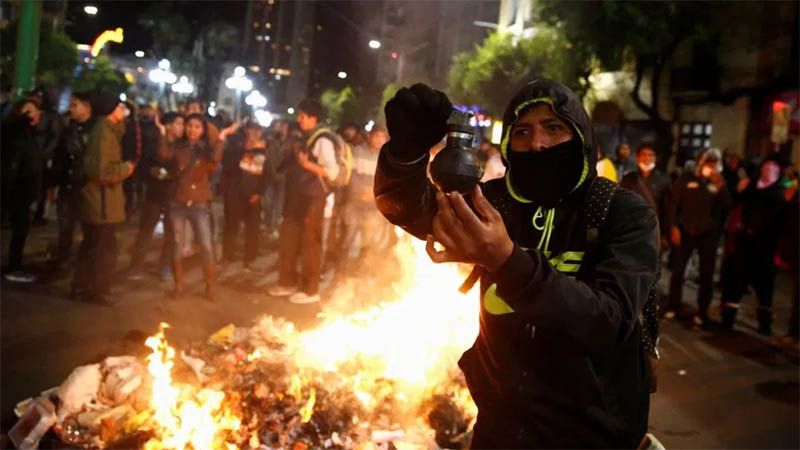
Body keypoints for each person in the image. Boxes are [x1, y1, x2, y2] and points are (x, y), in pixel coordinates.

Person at [375, 81, 659, 448]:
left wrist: (508, 262)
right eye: (523, 131)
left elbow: (608, 322)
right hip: (499, 432)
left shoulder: (623, 213)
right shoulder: (496, 205)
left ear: (581, 137)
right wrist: (406, 152)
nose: (537, 144)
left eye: (553, 128)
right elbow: (406, 206)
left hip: (592, 438)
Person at [268, 99, 340, 304]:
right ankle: (287, 282)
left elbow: (332, 173)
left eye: (302, 116)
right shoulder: (304, 137)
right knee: (289, 239)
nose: (298, 119)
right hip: (298, 198)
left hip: (314, 199)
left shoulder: (323, 140)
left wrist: (307, 165)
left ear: (313, 117)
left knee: (311, 243)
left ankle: (311, 290)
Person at [162, 113, 238, 301]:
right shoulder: (178, 147)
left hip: (199, 203)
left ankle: (210, 285)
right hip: (178, 202)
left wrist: (221, 137)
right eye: (189, 125)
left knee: (206, 245)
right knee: (178, 245)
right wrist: (164, 133)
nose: (192, 130)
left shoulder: (206, 150)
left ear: (202, 130)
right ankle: (179, 285)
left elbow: (215, 160)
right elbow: (163, 155)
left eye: (197, 126)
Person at [71, 91, 134, 304]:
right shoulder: (103, 132)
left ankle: (84, 287)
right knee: (100, 249)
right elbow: (100, 171)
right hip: (101, 202)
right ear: (110, 110)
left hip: (104, 201)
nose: (123, 110)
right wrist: (126, 168)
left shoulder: (109, 129)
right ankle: (94, 290)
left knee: (94, 246)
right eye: (119, 106)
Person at [719, 157, 788, 335]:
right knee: (736, 282)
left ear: (778, 173)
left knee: (764, 288)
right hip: (743, 244)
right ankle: (728, 320)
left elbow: (783, 223)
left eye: (773, 168)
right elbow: (732, 203)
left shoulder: (780, 194)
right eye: (766, 167)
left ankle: (765, 324)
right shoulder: (750, 187)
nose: (769, 171)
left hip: (766, 247)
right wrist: (738, 190)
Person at [666, 147, 731, 325]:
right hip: (685, 232)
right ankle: (673, 306)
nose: (709, 167)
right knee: (678, 272)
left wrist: (721, 187)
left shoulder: (719, 183)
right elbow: (674, 205)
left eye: (713, 164)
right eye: (706, 163)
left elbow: (727, 207)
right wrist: (673, 227)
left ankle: (702, 312)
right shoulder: (685, 180)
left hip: (708, 236)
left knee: (706, 275)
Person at [125, 112, 183, 281]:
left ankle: (164, 265)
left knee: (171, 234)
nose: (182, 127)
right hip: (155, 193)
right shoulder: (154, 142)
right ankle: (136, 265)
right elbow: (146, 163)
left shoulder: (182, 145)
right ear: (169, 126)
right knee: (145, 231)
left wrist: (169, 174)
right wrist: (152, 173)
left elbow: (180, 168)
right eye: (178, 123)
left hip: (173, 194)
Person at [50, 91, 96, 269]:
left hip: (85, 185)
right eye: (71, 104)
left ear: (87, 107)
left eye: (75, 104)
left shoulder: (96, 131)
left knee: (87, 227)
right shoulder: (68, 128)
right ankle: (63, 259)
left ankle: (84, 263)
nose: (71, 108)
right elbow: (60, 157)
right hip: (67, 184)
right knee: (65, 225)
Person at [339, 125, 391, 273]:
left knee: (369, 241)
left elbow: (388, 182)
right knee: (348, 238)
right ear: (370, 136)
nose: (379, 140)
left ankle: (361, 271)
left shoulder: (387, 158)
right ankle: (341, 271)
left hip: (374, 207)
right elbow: (351, 177)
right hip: (355, 204)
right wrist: (360, 192)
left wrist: (374, 193)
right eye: (376, 136)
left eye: (382, 137)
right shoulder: (358, 152)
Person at [1, 99, 43, 282]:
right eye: (29, 111)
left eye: (36, 111)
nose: (34, 114)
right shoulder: (16, 132)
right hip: (14, 188)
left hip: (21, 188)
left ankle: (15, 265)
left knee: (21, 229)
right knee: (19, 228)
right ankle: (13, 267)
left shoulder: (30, 134)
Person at [221, 120, 269, 270]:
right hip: (235, 192)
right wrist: (245, 151)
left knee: (252, 229)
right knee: (231, 226)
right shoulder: (236, 147)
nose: (254, 134)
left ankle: (250, 258)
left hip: (253, 194)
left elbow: (267, 174)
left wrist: (259, 192)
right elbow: (228, 166)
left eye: (257, 131)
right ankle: (227, 255)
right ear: (246, 131)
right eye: (251, 130)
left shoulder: (263, 150)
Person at [621, 143, 672, 248]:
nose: (647, 158)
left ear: (655, 158)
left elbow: (668, 209)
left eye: (651, 155)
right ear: (637, 157)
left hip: (655, 228)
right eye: (643, 154)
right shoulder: (628, 179)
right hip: (632, 228)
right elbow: (622, 205)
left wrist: (665, 234)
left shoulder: (664, 180)